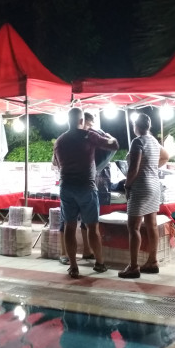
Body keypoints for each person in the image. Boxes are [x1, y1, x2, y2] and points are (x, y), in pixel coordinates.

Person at [52, 107, 119, 278]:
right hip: (86, 187)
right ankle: (99, 263)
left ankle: (73, 266)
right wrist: (111, 137)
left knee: (69, 226)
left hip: (66, 187)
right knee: (92, 227)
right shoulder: (89, 136)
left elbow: (56, 163)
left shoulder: (59, 140)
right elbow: (114, 146)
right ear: (82, 121)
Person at [118, 114, 169, 279]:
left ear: (136, 126)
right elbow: (166, 156)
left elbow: (133, 167)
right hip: (154, 185)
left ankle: (133, 266)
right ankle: (152, 261)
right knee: (151, 224)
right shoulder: (154, 141)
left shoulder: (137, 141)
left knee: (133, 227)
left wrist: (127, 185)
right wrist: (152, 167)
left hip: (140, 187)